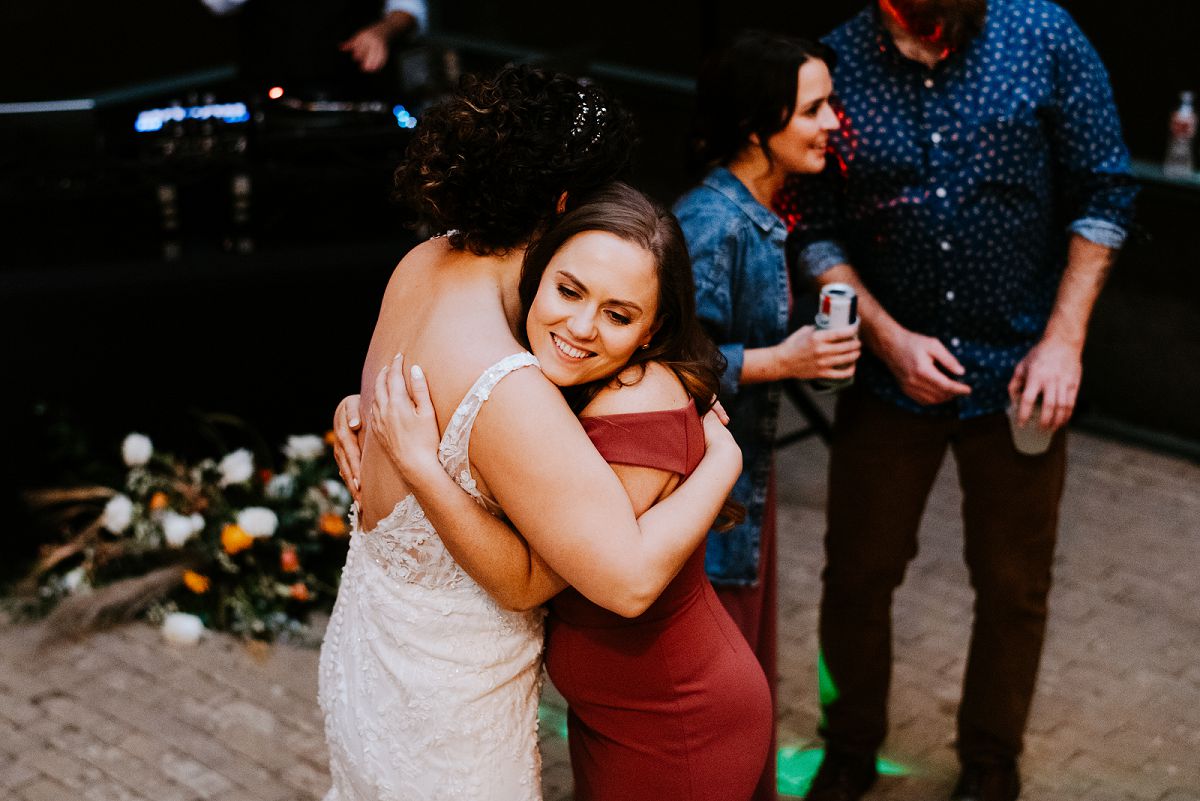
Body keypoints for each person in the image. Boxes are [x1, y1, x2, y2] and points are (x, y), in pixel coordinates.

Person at [318, 66, 744, 801]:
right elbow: (602, 575)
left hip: (365, 658)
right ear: (564, 203)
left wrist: (356, 416)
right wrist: (723, 456)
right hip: (447, 713)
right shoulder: (507, 382)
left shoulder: (423, 260)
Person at [779, 1, 1139, 799]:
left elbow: (1106, 191)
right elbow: (811, 221)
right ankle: (849, 746)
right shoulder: (836, 59)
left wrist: (1064, 339)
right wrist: (885, 337)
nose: (924, 34)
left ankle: (989, 761)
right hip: (887, 374)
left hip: (1021, 370)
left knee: (1014, 586)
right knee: (858, 574)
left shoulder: (1044, 36)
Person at [369, 182, 773, 800]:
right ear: (539, 272)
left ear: (651, 329)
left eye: (618, 315)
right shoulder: (574, 380)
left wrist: (422, 468)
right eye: (568, 290)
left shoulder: (637, 397)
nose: (580, 327)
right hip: (618, 716)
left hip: (678, 722)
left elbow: (571, 580)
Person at [672, 30, 861, 801]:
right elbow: (673, 368)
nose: (833, 122)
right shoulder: (710, 224)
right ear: (758, 125)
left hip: (746, 481)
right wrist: (788, 359)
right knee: (723, 686)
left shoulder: (755, 212)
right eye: (815, 107)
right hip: (713, 499)